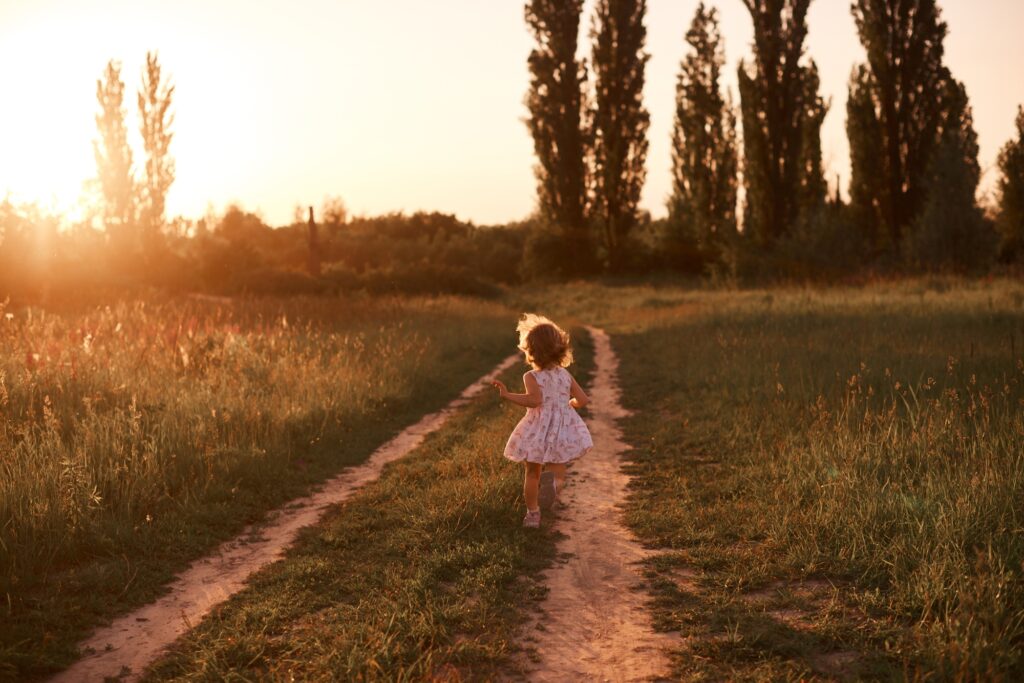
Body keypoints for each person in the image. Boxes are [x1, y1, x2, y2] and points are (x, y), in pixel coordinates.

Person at [492, 314, 593, 528]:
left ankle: (532, 515)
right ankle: (554, 486)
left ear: (531, 351)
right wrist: (570, 404)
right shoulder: (565, 375)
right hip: (561, 428)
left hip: (538, 428)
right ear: (560, 349)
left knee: (532, 472)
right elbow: (583, 399)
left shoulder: (531, 377)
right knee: (558, 470)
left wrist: (508, 394)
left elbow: (534, 400)